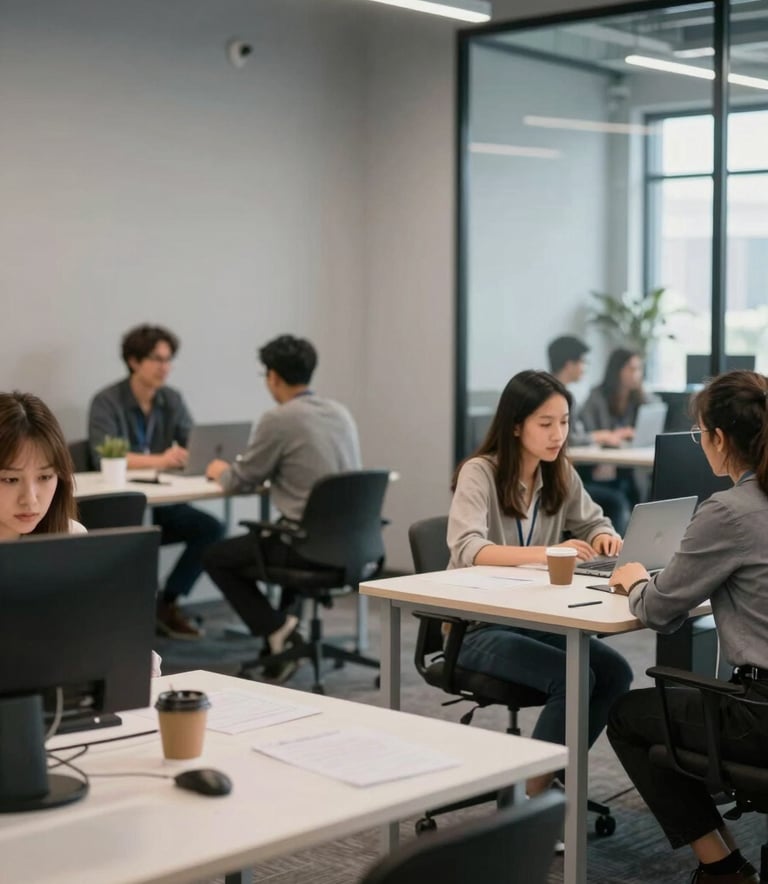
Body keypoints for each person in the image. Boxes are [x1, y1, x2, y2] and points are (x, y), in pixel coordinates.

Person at [607, 370, 768, 884]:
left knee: (627, 716)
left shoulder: (730, 511)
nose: (700, 445)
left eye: (701, 434)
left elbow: (658, 611)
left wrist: (634, 579)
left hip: (760, 718)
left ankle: (721, 868)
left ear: (719, 439)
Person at [448, 370, 633, 798]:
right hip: (478, 625)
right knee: (574, 677)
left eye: (564, 422)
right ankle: (534, 798)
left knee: (615, 673)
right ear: (516, 426)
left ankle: (549, 776)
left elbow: (594, 520)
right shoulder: (481, 472)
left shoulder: (559, 471)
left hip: (534, 617)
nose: (558, 434)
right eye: (545, 424)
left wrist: (602, 536)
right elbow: (468, 548)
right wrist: (546, 553)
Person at [203, 334, 361, 682]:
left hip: (306, 548)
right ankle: (283, 640)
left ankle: (277, 629)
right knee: (281, 531)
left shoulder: (279, 419)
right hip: (351, 545)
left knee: (216, 557)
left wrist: (218, 469)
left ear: (273, 376)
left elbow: (238, 480)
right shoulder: (340, 412)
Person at [0, 391, 161, 676]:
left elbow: (119, 645)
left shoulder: (69, 536)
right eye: (11, 479)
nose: (31, 499)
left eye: (45, 477)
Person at [88, 324, 224, 641]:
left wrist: (192, 455)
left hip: (162, 503)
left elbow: (193, 445)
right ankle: (129, 622)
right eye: (157, 359)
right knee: (137, 542)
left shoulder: (171, 399)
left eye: (169, 359)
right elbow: (102, 456)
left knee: (211, 529)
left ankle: (167, 603)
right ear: (134, 361)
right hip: (123, 507)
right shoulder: (107, 401)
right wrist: (162, 459)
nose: (165, 367)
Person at [578, 347, 652, 533]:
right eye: (632, 369)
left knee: (648, 490)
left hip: (627, 470)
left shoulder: (639, 399)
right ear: (618, 370)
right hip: (598, 470)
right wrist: (610, 436)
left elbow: (654, 411)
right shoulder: (597, 397)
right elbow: (586, 432)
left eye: (639, 369)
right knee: (620, 499)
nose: (637, 374)